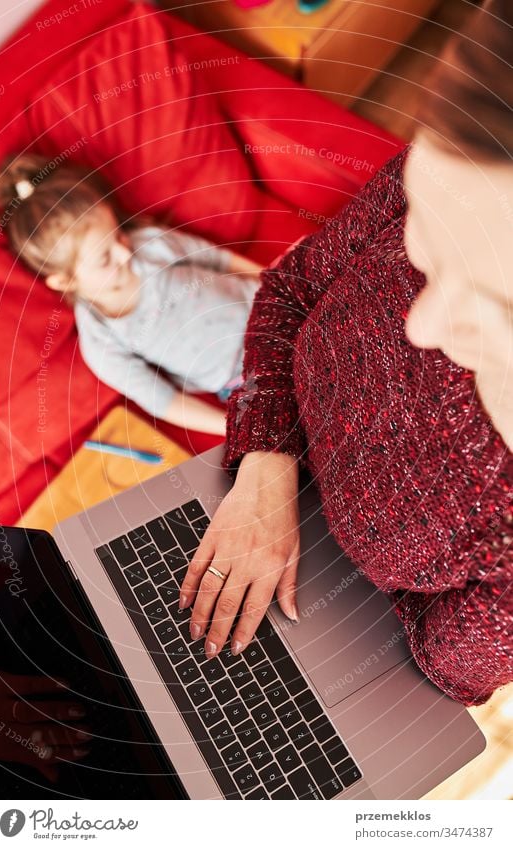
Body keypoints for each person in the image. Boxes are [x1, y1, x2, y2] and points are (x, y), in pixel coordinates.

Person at [178, 0, 512, 706]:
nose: (419, 326)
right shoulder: (477, 163)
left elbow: (439, 667)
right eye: (426, 237)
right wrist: (267, 466)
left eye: (494, 305)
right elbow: (294, 287)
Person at [0, 155, 262, 436]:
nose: (124, 252)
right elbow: (164, 401)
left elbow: (219, 260)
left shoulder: (149, 244)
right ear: (63, 281)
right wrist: (232, 428)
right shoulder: (101, 339)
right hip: (245, 376)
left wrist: (273, 278)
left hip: (269, 306)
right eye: (104, 258)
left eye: (118, 235)